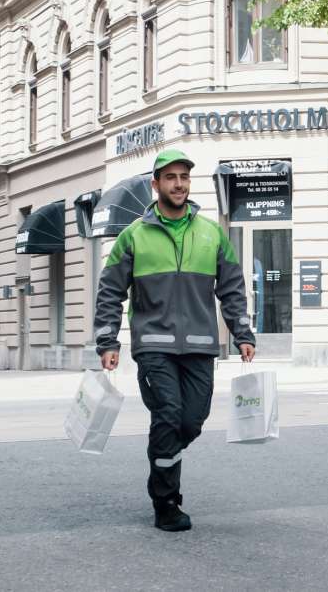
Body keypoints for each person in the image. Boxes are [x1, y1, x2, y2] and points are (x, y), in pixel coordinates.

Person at [94, 149, 256, 532]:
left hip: (200, 345)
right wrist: (107, 341)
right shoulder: (134, 236)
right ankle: (166, 500)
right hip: (153, 345)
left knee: (191, 421)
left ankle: (161, 461)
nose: (179, 184)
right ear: (156, 184)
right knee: (168, 414)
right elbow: (110, 291)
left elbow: (232, 288)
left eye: (184, 176)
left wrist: (242, 332)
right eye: (171, 177)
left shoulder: (211, 232)